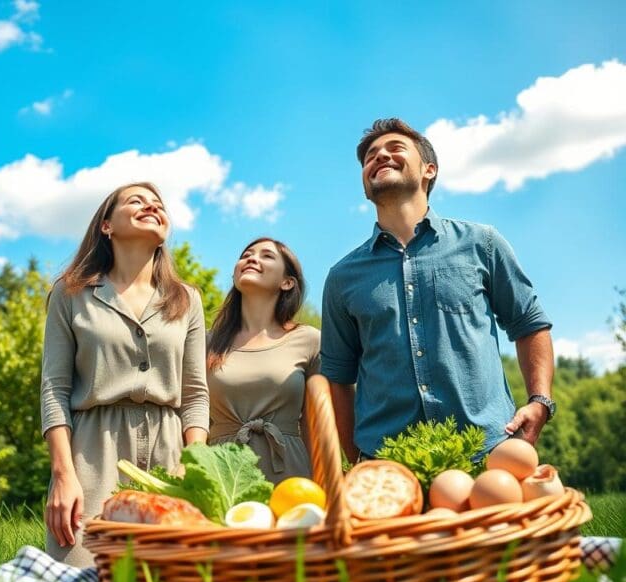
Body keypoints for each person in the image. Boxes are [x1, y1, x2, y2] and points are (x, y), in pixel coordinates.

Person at [321, 118, 555, 463]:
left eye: (395, 148)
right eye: (371, 156)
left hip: (488, 451)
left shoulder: (482, 243)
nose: (380, 156)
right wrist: (357, 457)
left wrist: (540, 401)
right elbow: (338, 378)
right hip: (387, 463)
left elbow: (529, 324)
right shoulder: (342, 277)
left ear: (429, 170)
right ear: (365, 186)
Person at [41, 182, 209, 567]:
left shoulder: (187, 300)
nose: (151, 206)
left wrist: (193, 463)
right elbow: (54, 389)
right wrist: (64, 474)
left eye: (158, 204)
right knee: (80, 579)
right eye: (137, 201)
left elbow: (196, 394)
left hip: (171, 452)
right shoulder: (70, 293)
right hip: (91, 454)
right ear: (106, 226)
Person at [206, 237, 321, 483]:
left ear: (287, 282)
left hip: (290, 475)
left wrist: (323, 481)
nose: (251, 259)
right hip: (221, 473)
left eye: (266, 256)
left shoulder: (309, 340)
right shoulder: (206, 342)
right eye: (246, 255)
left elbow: (315, 424)